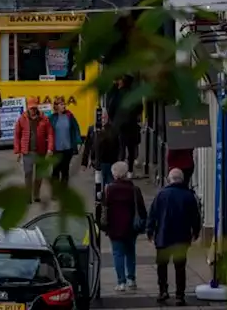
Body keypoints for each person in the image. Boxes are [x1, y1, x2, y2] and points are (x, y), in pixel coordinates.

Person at [147, 167, 201, 305]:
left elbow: (152, 215)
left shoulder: (161, 195)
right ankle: (180, 295)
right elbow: (195, 216)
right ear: (182, 180)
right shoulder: (189, 196)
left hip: (163, 236)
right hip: (181, 237)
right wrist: (196, 231)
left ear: (168, 179)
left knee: (162, 266)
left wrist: (150, 231)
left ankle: (163, 290)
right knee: (180, 267)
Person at [102, 161, 146, 292]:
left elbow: (103, 208)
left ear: (114, 174)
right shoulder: (134, 190)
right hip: (131, 227)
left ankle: (121, 282)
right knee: (130, 252)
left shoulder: (108, 189)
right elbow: (142, 210)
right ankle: (131, 279)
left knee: (117, 254)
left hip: (114, 227)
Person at [13, 101, 54, 203]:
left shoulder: (44, 119)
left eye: (35, 108)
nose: (33, 110)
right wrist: (17, 151)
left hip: (41, 151)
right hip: (27, 151)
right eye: (31, 108)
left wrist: (50, 149)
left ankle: (36, 194)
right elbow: (17, 135)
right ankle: (28, 196)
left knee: (39, 175)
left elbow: (50, 134)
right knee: (28, 174)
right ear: (28, 108)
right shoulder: (22, 119)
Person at [106, 75, 142, 170]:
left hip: (120, 125)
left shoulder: (117, 94)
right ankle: (130, 170)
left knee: (121, 148)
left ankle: (120, 170)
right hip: (132, 125)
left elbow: (110, 108)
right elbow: (140, 108)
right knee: (131, 149)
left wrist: (114, 120)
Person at [48, 96, 82, 183]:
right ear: (56, 106)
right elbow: (47, 132)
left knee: (65, 170)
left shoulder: (69, 116)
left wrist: (78, 141)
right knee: (55, 170)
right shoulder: (52, 118)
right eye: (61, 104)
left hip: (68, 148)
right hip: (56, 149)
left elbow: (76, 128)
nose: (64, 106)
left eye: (64, 104)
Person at [84, 110, 122, 188]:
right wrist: (84, 162)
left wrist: (119, 160)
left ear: (108, 118)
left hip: (110, 162)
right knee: (99, 183)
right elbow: (88, 146)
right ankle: (99, 197)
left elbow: (118, 146)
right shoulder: (92, 130)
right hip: (98, 162)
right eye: (100, 117)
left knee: (109, 183)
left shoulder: (113, 130)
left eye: (104, 117)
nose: (102, 119)